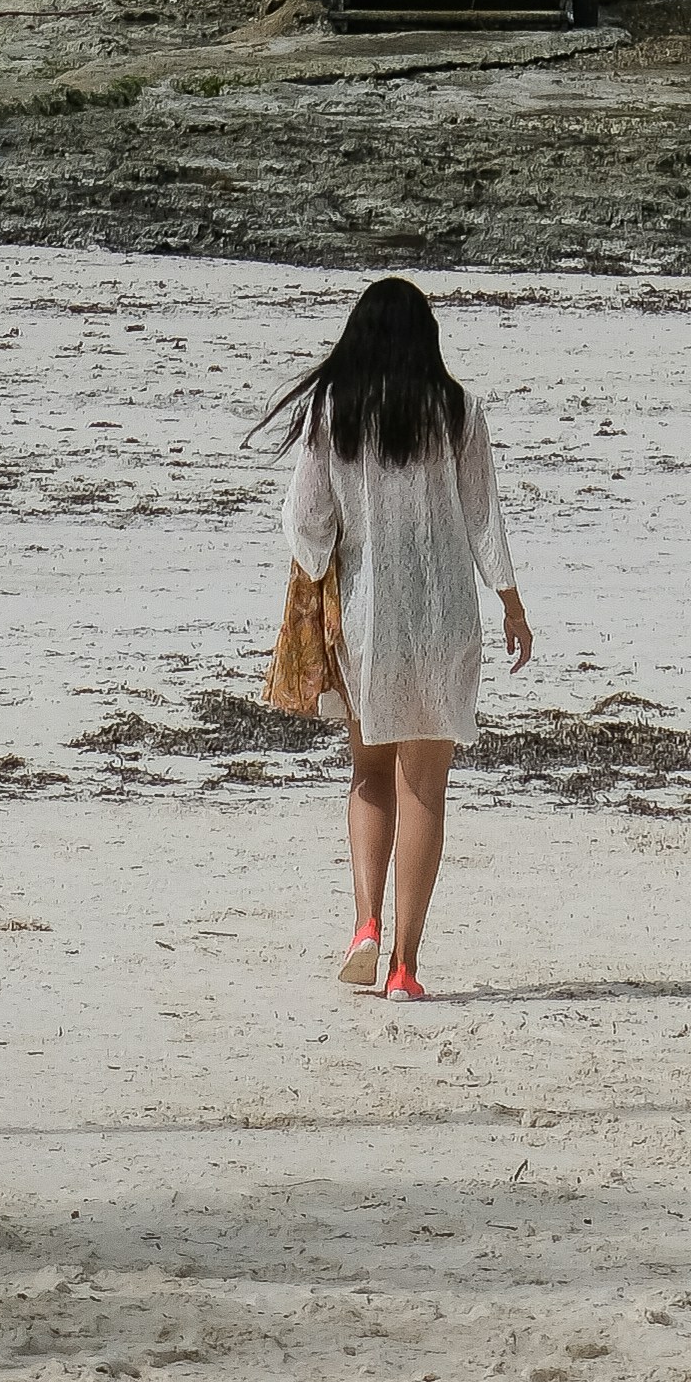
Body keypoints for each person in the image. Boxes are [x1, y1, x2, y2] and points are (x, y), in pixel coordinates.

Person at [260, 276, 528, 1005]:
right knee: (425, 788)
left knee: (370, 773)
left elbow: (308, 522)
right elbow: (483, 517)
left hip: (368, 619)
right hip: (444, 619)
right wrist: (511, 602)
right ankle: (406, 967)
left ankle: (365, 925)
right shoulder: (459, 409)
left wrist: (319, 573)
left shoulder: (335, 411)